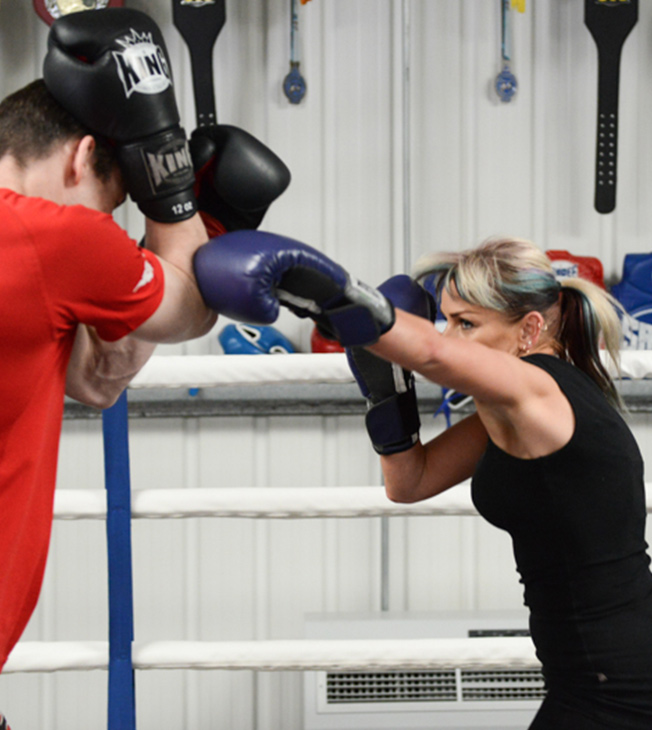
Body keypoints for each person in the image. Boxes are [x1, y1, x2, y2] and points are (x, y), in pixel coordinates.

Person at [190, 230, 652, 729]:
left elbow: (432, 353)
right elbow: (409, 482)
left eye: (467, 324)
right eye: (447, 321)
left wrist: (329, 296)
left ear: (529, 328)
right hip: (585, 673)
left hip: (616, 682)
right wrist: (386, 389)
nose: (452, 338)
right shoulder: (510, 408)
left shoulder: (540, 387)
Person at [0, 9, 221, 724]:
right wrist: (170, 183)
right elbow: (187, 306)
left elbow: (95, 379)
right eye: (112, 204)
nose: (109, 228)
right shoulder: (52, 238)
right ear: (79, 157)